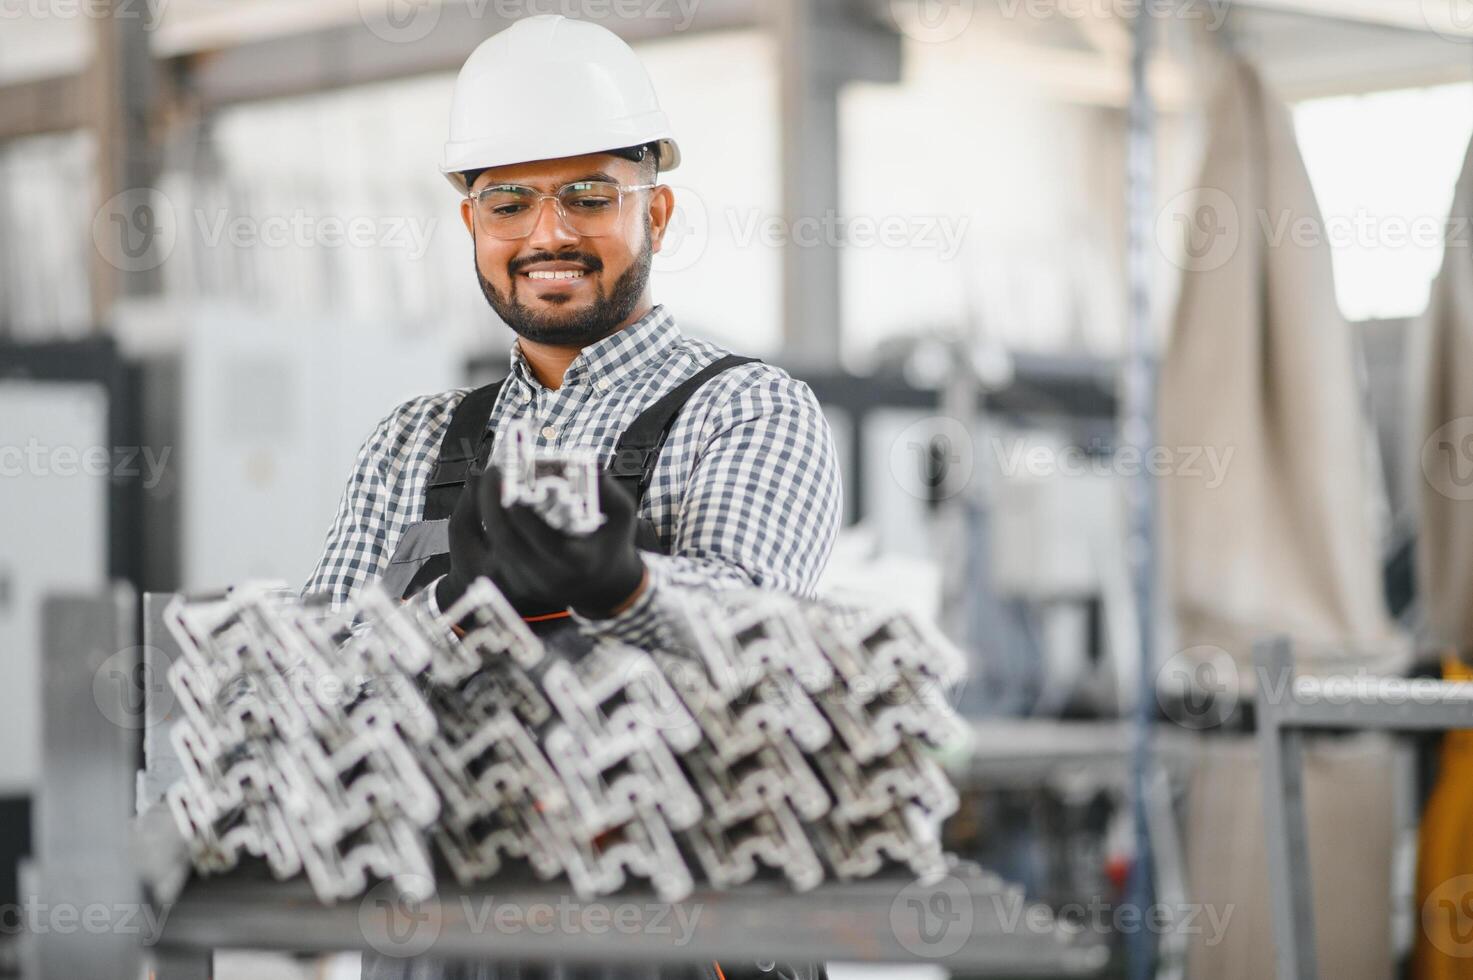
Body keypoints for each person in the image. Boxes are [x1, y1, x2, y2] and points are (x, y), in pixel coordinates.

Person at [302, 14, 842, 980]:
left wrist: (623, 586)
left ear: (658, 215)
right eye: (508, 203)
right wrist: (437, 616)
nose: (547, 234)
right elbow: (318, 681)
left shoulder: (748, 410)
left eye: (588, 196)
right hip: (446, 940)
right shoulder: (411, 443)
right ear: (472, 223)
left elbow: (760, 638)